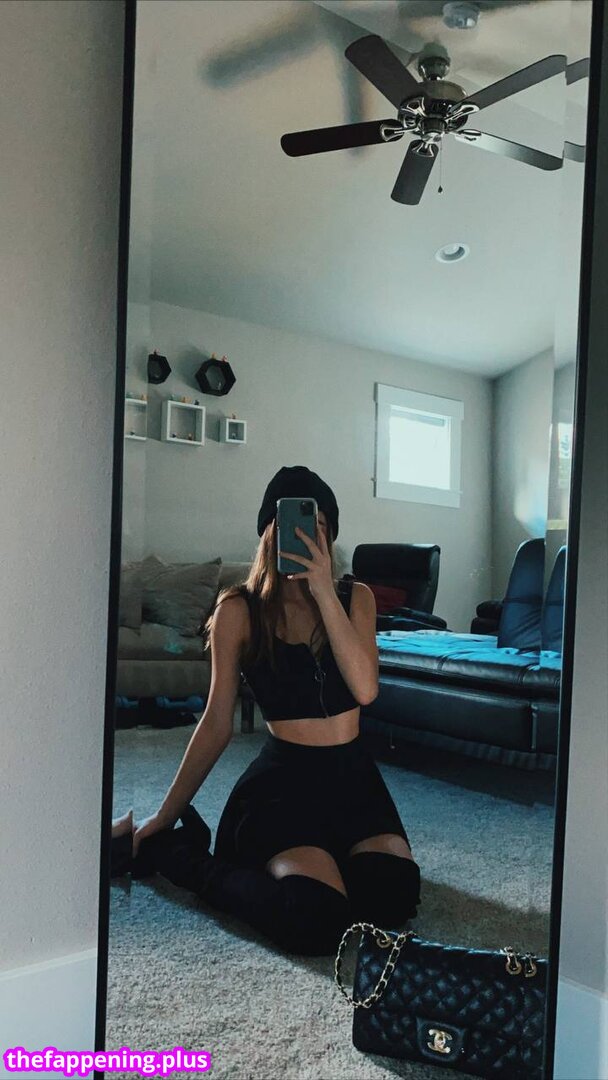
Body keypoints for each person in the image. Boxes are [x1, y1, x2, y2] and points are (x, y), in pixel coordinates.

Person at [111, 465, 421, 956]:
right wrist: (163, 818)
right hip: (283, 787)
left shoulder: (355, 598)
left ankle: (326, 868)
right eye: (292, 527)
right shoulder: (238, 610)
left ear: (331, 537)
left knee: (393, 896)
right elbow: (216, 722)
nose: (306, 538)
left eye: (318, 528)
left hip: (354, 780)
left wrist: (323, 590)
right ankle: (182, 856)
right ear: (268, 534)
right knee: (315, 919)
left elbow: (365, 689)